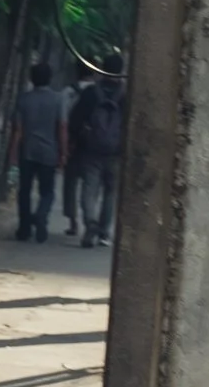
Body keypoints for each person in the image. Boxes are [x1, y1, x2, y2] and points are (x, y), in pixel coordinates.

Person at [71, 58, 126, 248]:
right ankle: (104, 232)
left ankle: (90, 223)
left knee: (89, 189)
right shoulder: (126, 96)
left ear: (102, 69)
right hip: (116, 152)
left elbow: (75, 120)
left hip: (91, 149)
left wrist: (78, 140)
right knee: (110, 192)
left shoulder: (91, 93)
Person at [12, 62, 68, 242]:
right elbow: (62, 127)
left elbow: (18, 130)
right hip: (49, 151)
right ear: (49, 78)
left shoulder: (23, 99)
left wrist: (13, 153)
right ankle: (41, 215)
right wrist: (63, 152)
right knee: (47, 191)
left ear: (32, 78)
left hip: (27, 151)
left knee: (24, 191)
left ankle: (24, 228)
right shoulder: (58, 99)